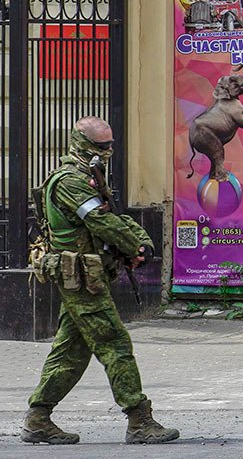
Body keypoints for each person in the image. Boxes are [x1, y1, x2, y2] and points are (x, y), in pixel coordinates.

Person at [23, 117, 179, 445]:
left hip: (87, 276)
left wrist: (135, 243)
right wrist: (135, 245)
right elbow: (99, 221)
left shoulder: (87, 177)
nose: (108, 152)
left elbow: (111, 218)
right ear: (82, 145)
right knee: (115, 343)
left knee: (71, 351)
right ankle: (139, 419)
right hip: (79, 278)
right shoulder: (69, 182)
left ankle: (38, 419)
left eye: (110, 145)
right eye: (102, 146)